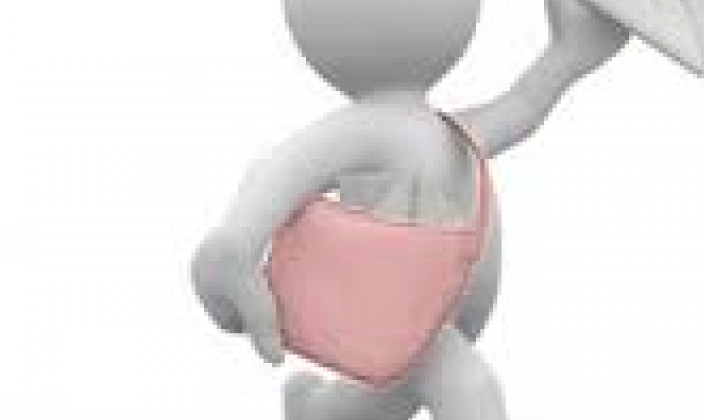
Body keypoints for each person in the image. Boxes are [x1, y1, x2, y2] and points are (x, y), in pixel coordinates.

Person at [191, 0, 629, 418]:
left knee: (387, 393)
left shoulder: (449, 129)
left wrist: (568, 54)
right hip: (400, 310)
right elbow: (279, 168)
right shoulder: (365, 127)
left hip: (430, 318)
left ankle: (319, 412)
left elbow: (523, 108)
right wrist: (236, 243)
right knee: (466, 387)